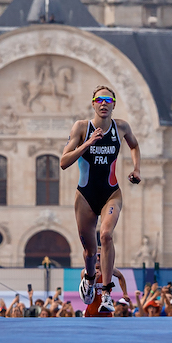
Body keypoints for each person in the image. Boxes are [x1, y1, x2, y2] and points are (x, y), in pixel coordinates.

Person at [60, 84, 140, 316]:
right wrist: (88, 143)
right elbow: (63, 162)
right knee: (89, 253)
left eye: (108, 100)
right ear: (93, 104)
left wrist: (136, 169)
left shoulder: (121, 127)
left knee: (106, 235)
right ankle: (89, 279)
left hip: (111, 193)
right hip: (85, 195)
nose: (103, 103)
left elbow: (134, 145)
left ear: (113, 105)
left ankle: (106, 293)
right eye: (99, 100)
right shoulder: (82, 127)